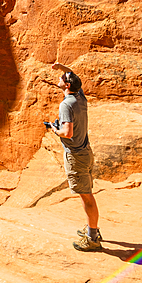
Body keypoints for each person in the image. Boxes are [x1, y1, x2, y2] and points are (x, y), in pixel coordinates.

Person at [48, 63, 101, 252]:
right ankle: (91, 228)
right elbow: (75, 78)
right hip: (85, 151)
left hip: (76, 156)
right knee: (85, 193)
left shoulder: (66, 104)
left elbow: (67, 132)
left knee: (86, 197)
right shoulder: (80, 98)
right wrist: (63, 68)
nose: (59, 79)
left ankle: (92, 238)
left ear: (67, 86)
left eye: (62, 78)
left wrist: (55, 130)